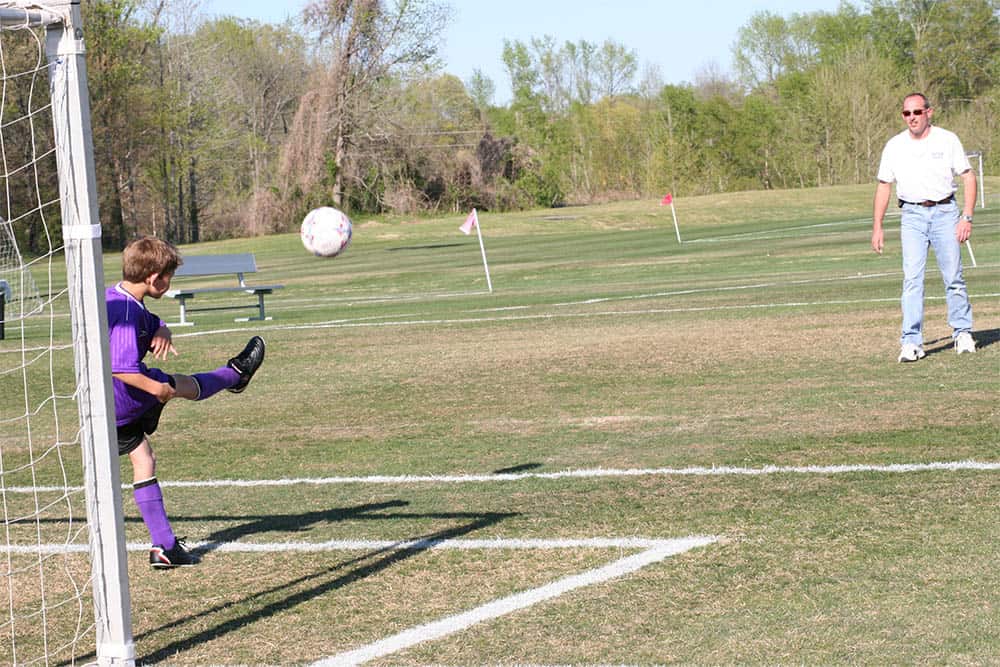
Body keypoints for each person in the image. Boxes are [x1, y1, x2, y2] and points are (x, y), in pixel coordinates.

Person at [107, 237, 265, 568]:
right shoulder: (125, 311)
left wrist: (161, 328)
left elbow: (146, 327)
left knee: (144, 460)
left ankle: (163, 547)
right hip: (124, 399)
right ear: (154, 278)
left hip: (108, 406)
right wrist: (157, 389)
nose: (169, 283)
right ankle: (235, 375)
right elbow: (121, 367)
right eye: (169, 277)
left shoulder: (118, 297)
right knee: (181, 384)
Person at [872, 92, 977, 362]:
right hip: (912, 216)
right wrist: (878, 226)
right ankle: (911, 341)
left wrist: (966, 216)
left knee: (953, 277)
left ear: (929, 112)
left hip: (945, 212)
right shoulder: (894, 146)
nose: (912, 118)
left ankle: (962, 332)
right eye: (907, 114)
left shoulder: (947, 139)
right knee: (912, 280)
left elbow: (968, 177)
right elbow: (884, 185)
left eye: (917, 112)